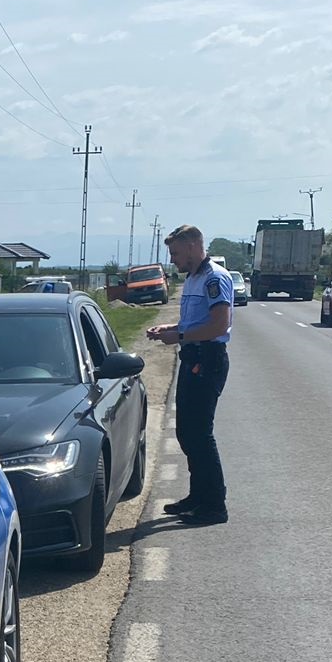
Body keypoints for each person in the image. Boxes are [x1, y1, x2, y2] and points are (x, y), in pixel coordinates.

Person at [107, 224, 233, 525]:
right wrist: (172, 329)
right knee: (186, 433)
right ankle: (198, 496)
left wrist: (180, 336)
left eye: (175, 253)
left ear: (192, 246)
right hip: (192, 358)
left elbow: (219, 326)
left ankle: (214, 505)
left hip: (208, 359)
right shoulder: (193, 278)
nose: (173, 259)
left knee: (199, 434)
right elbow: (196, 322)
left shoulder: (214, 278)